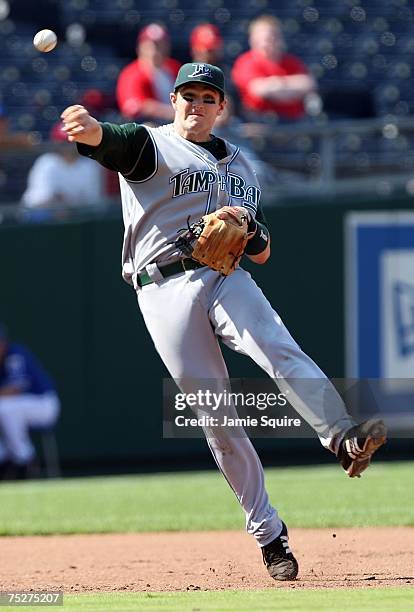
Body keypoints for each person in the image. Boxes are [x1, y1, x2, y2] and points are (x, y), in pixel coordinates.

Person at [60, 62, 386, 581]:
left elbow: (262, 250)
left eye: (207, 97)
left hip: (223, 276)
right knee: (218, 418)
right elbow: (113, 142)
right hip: (162, 287)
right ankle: (269, 534)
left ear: (221, 107)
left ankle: (343, 436)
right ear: (172, 100)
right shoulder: (154, 145)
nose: (196, 104)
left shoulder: (241, 168)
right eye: (187, 94)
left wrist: (248, 228)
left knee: (278, 345)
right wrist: (90, 128)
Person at [0, 324, 60, 480]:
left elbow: (15, 389)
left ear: (4, 342)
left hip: (44, 403)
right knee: (6, 410)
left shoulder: (15, 355)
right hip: (23, 406)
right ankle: (7, 458)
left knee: (5, 408)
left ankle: (25, 460)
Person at [231, 15, 317, 121]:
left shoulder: (291, 61)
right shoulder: (246, 62)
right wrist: (291, 89)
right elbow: (259, 89)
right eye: (264, 39)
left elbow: (308, 84)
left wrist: (276, 84)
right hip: (259, 123)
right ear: (253, 39)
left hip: (294, 121)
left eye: (274, 37)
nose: (269, 42)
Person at [21, 122, 104, 216]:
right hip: (43, 216)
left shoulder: (89, 165)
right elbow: (40, 201)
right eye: (64, 143)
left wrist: (66, 201)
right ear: (56, 143)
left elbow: (92, 202)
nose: (68, 147)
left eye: (72, 142)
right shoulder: (47, 163)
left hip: (78, 216)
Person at [116, 23, 181, 123]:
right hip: (149, 128)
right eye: (151, 45)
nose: (155, 51)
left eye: (160, 45)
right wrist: (177, 113)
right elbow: (135, 107)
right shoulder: (131, 73)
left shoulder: (174, 67)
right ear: (140, 47)